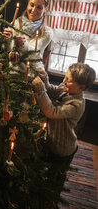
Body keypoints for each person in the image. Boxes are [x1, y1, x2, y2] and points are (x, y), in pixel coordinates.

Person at [32, 62, 96, 204]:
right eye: (65, 77)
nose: (64, 81)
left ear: (81, 88)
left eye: (68, 80)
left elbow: (51, 111)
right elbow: (53, 90)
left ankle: (51, 201)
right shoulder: (66, 88)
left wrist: (41, 90)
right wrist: (46, 80)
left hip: (62, 149)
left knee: (56, 179)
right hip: (50, 141)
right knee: (41, 166)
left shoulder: (76, 105)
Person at [3, 0, 53, 72]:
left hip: (32, 75)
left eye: (39, 7)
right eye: (32, 5)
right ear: (28, 4)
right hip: (13, 73)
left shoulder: (47, 32)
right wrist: (7, 39)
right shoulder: (17, 23)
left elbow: (34, 54)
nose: (34, 10)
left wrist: (23, 44)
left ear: (45, 9)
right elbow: (9, 49)